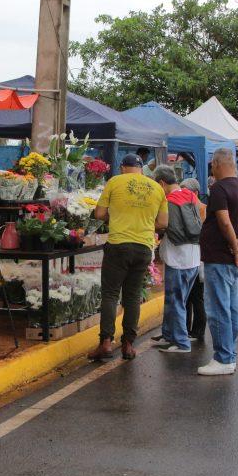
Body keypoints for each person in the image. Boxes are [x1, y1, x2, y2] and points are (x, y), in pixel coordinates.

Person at [89, 153, 168, 361]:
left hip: (118, 245)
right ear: (141, 169)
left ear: (123, 167)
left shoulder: (115, 182)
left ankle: (106, 342)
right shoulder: (157, 188)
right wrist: (143, 222)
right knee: (132, 297)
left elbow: (98, 214)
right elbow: (163, 223)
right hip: (143, 247)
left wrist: (116, 216)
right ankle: (128, 344)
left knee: (110, 294)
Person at [197, 148, 238, 376]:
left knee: (218, 308)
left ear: (219, 164)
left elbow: (223, 221)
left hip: (220, 258)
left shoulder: (219, 188)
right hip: (232, 258)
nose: (212, 169)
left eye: (212, 164)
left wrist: (234, 246)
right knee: (231, 308)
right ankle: (229, 356)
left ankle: (223, 358)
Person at [151, 166, 202, 353]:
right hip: (193, 257)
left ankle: (181, 342)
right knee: (176, 300)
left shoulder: (169, 201)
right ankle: (169, 334)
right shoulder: (189, 195)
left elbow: (165, 226)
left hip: (177, 259)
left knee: (176, 301)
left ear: (162, 183)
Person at [181, 178, 208, 342]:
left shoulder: (203, 210)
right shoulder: (186, 209)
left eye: (187, 192)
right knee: (187, 296)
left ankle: (198, 331)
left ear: (196, 193)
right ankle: (185, 329)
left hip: (198, 258)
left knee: (196, 296)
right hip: (187, 257)